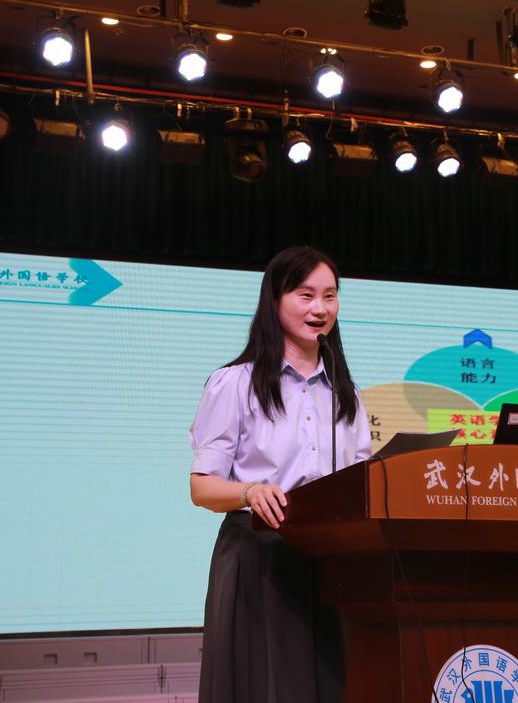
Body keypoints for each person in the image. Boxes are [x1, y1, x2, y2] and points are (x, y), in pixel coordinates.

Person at [188, 246, 372, 703]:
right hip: (259, 557)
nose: (320, 308)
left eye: (330, 296)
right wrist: (250, 491)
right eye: (306, 295)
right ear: (275, 300)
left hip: (330, 561)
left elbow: (360, 481)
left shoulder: (347, 394)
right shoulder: (235, 383)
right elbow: (202, 487)